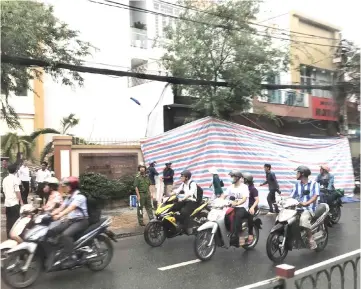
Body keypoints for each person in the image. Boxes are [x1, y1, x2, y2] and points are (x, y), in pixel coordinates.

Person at [51, 176, 89, 267]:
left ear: (72, 186)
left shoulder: (80, 197)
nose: (65, 187)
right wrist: (50, 213)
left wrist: (59, 215)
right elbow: (61, 207)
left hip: (81, 221)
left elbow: (71, 208)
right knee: (54, 230)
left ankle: (72, 257)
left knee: (65, 235)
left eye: (67, 185)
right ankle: (60, 252)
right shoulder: (69, 197)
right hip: (71, 220)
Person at [290, 166, 320, 250]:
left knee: (303, 219)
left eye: (297, 172)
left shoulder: (314, 184)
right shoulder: (296, 185)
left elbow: (315, 196)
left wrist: (306, 203)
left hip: (309, 209)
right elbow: (291, 196)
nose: (296, 174)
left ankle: (311, 239)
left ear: (302, 174)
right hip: (297, 209)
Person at [223, 170, 249, 246]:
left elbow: (244, 198)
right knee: (224, 215)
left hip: (242, 208)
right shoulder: (230, 187)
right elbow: (224, 195)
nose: (231, 178)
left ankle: (235, 238)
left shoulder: (244, 187)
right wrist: (218, 200)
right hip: (232, 207)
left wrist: (237, 203)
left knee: (236, 217)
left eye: (232, 177)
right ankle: (227, 232)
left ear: (237, 178)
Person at [173, 170, 199, 234]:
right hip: (185, 201)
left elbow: (190, 193)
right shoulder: (183, 184)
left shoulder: (192, 184)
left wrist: (183, 198)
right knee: (173, 207)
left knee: (184, 212)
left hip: (192, 202)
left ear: (187, 177)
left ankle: (188, 227)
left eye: (182, 176)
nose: (181, 177)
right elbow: (177, 191)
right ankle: (177, 223)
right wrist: (168, 195)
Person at [2, 163, 23, 237]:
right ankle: (14, 236)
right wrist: (21, 201)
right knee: (15, 221)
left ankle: (8, 236)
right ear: (15, 171)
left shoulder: (4, 179)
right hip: (14, 203)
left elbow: (4, 192)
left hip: (7, 203)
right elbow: (17, 191)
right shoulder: (15, 179)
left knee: (8, 221)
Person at [242, 172, 259, 244]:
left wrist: (252, 207)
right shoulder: (244, 188)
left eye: (243, 179)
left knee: (250, 218)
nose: (242, 180)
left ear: (246, 180)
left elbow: (257, 200)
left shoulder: (253, 189)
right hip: (245, 206)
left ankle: (250, 235)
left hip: (252, 207)